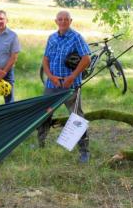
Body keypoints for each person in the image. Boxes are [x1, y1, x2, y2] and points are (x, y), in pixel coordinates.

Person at [38, 10, 92, 163]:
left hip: (70, 85)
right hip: (52, 84)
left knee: (77, 117)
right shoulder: (52, 38)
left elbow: (86, 58)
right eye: (60, 19)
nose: (62, 22)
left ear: (70, 21)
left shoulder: (76, 37)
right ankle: (40, 143)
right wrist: (50, 76)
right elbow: (46, 59)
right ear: (56, 21)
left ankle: (84, 151)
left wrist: (73, 76)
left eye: (66, 19)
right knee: (44, 113)